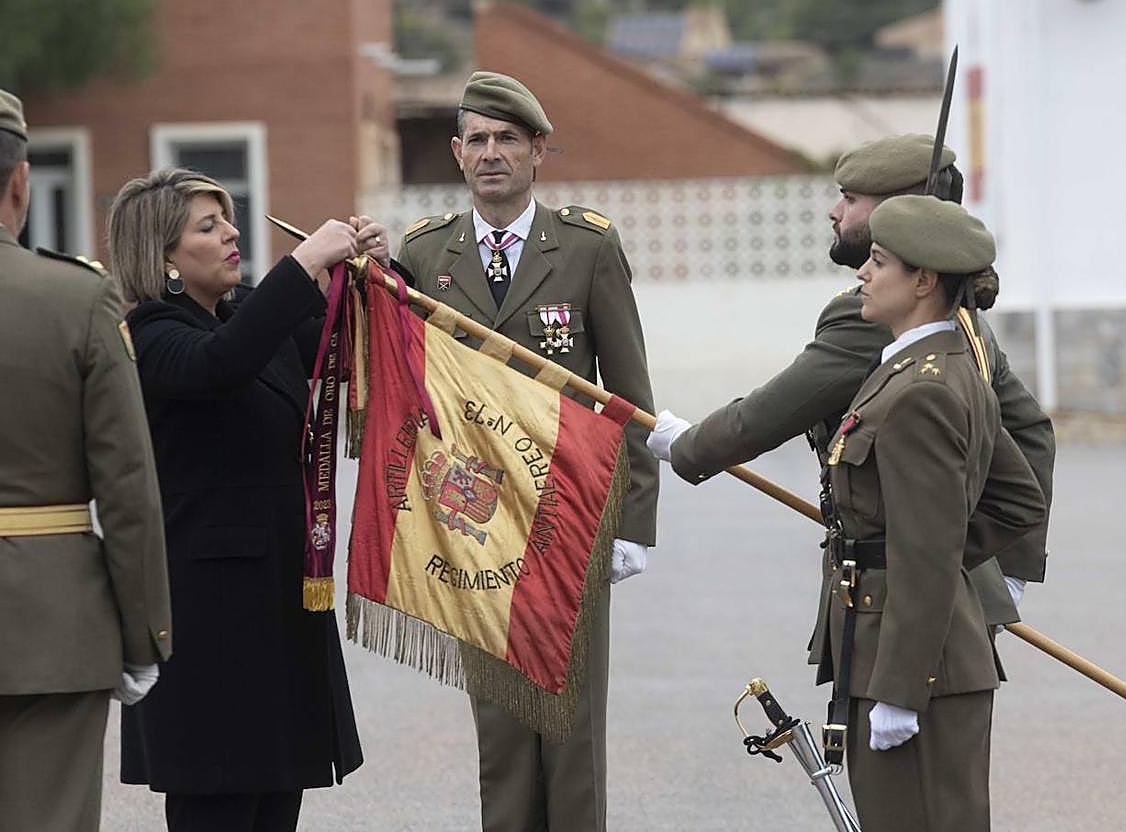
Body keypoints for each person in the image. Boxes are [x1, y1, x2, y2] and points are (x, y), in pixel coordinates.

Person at [393, 71, 659, 832]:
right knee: (502, 729)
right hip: (475, 523)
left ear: (538, 151)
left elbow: (629, 391)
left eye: (508, 139)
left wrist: (635, 519)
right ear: (455, 152)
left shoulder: (585, 249)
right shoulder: (425, 254)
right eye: (476, 139)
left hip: (570, 516)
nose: (491, 154)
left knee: (570, 731)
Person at [649, 134, 1054, 629]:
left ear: (901, 211)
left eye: (851, 198)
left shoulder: (885, 318)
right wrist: (1009, 569)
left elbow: (768, 415)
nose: (834, 211)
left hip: (900, 596)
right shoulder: (959, 311)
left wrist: (686, 445)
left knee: (897, 705)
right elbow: (1032, 433)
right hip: (948, 587)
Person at [108, 168, 386, 832]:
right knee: (220, 807)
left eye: (227, 219)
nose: (233, 233)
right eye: (208, 226)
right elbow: (219, 365)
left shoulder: (245, 316)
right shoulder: (150, 336)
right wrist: (303, 263)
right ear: (165, 257)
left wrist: (371, 266)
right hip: (207, 624)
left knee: (273, 800)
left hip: (277, 604)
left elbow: (343, 336)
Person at [818, 195, 1045, 830]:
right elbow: (1017, 500)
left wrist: (900, 687)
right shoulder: (943, 367)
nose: (862, 273)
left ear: (923, 281)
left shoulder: (921, 390)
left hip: (917, 668)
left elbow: (928, 550)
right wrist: (933, 556)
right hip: (916, 654)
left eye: (880, 262)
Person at [0, 89, 172, 832]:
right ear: (19, 182)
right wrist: (144, 638)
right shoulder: (76, 298)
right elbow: (127, 486)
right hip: (53, 625)